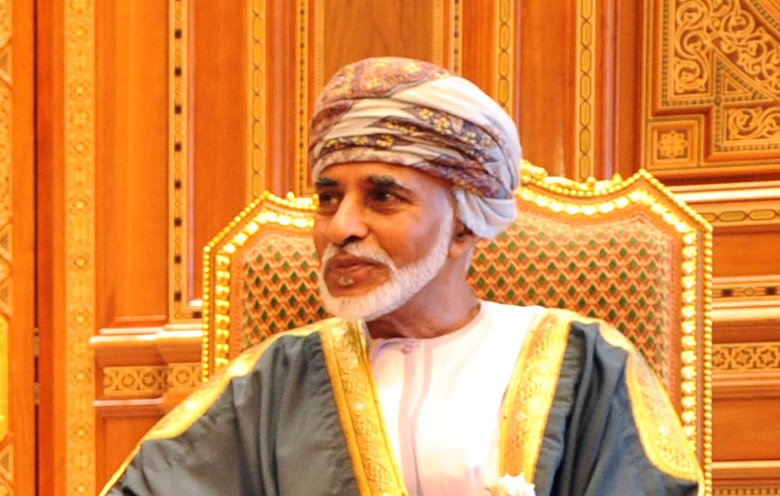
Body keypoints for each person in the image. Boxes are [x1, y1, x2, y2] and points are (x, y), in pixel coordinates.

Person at [102, 57, 702, 496]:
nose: (342, 228)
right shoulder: (270, 383)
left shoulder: (583, 363)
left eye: (383, 198)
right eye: (328, 199)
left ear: (465, 228)